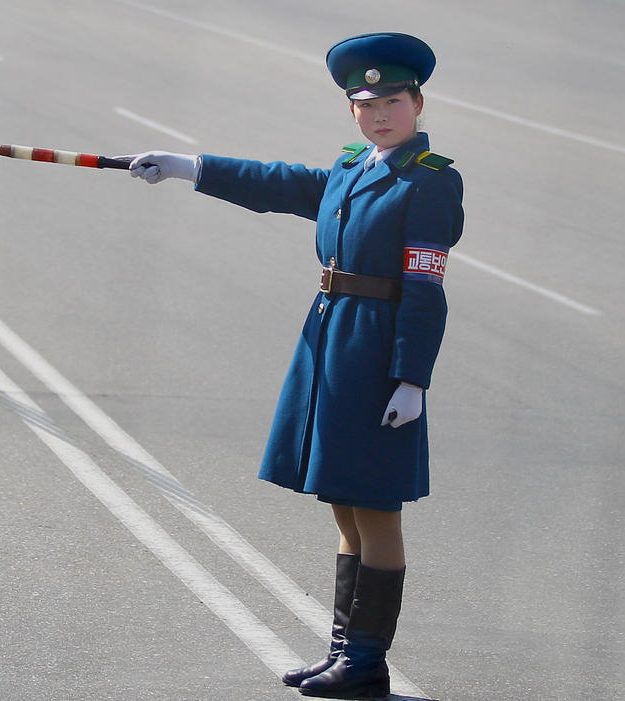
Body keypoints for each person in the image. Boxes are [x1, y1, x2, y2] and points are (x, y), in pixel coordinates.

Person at [126, 32, 463, 699]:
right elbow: (277, 182)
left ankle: (365, 659)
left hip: (377, 349)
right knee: (343, 501)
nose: (380, 114)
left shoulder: (430, 182)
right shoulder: (354, 168)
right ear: (352, 113)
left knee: (376, 508)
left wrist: (411, 376)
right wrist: (186, 166)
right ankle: (344, 649)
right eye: (366, 105)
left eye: (393, 100)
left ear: (417, 103)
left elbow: (426, 287)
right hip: (331, 342)